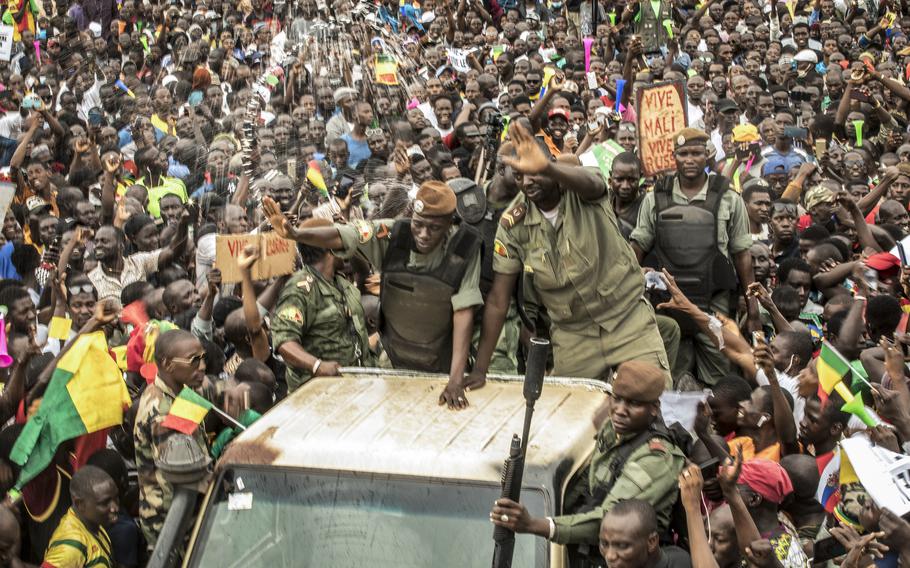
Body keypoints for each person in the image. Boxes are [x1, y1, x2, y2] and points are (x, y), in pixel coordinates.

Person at [471, 121, 670, 387]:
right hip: (573, 335)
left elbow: (592, 183)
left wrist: (547, 167)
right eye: (519, 176)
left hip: (627, 320)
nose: (528, 182)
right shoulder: (512, 224)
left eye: (534, 172)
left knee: (651, 400)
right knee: (571, 418)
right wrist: (480, 370)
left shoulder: (582, 190)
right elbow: (498, 299)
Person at [264, 181, 483, 408]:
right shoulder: (393, 233)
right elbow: (344, 235)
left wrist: (456, 378)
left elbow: (463, 311)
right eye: (418, 225)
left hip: (443, 366)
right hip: (392, 365)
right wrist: (296, 234)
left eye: (434, 228)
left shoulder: (464, 248)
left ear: (449, 224)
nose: (424, 234)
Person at [489, 361, 685, 550]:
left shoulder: (657, 458)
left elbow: (612, 522)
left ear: (654, 409)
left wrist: (536, 525)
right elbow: (590, 486)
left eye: (633, 404)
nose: (620, 411)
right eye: (617, 399)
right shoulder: (614, 430)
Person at [632, 127, 758, 385]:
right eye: (683, 154)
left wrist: (752, 306)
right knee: (666, 378)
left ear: (708, 154)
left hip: (714, 304)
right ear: (674, 156)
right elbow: (638, 247)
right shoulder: (655, 197)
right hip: (666, 302)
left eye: (697, 154)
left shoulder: (728, 199)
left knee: (720, 378)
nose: (690, 160)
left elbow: (742, 256)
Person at [270, 219, 373, 392]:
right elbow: (284, 341)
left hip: (352, 384)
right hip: (318, 392)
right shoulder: (300, 289)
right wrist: (316, 365)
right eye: (339, 242)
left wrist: (349, 237)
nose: (344, 245)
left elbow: (363, 271)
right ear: (331, 248)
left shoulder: (339, 282)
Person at [133, 329, 211, 549]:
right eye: (194, 361)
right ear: (167, 364)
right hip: (171, 519)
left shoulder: (178, 391)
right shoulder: (162, 413)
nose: (202, 366)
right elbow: (183, 475)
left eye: (203, 358)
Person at [42, 466, 118, 568]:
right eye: (105, 503)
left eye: (116, 498)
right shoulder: (72, 546)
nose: (115, 508)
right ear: (80, 504)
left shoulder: (94, 525)